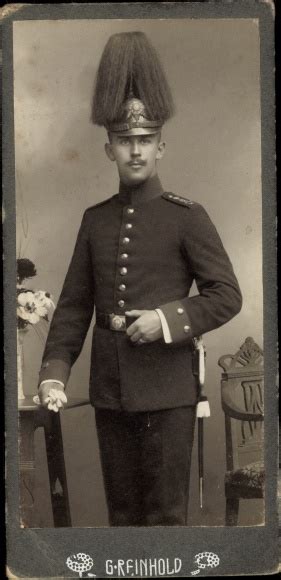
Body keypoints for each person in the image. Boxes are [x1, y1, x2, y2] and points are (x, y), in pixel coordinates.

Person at [38, 31, 242, 526]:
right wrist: (53, 374)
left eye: (145, 141)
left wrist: (166, 320)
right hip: (110, 393)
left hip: (168, 393)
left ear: (161, 146)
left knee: (166, 518)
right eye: (125, 141)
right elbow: (71, 308)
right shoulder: (95, 220)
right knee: (123, 517)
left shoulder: (187, 217)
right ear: (109, 148)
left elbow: (226, 296)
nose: (136, 151)